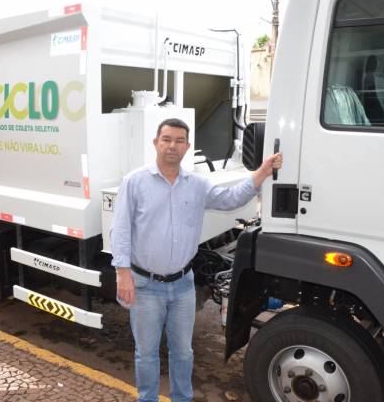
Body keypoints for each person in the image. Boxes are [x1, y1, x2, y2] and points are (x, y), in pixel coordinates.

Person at [110, 118, 283, 402]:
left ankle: (182, 398)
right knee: (146, 353)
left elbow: (230, 198)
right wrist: (123, 273)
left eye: (179, 141)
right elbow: (121, 230)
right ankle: (148, 398)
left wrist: (262, 172)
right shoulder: (134, 182)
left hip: (182, 286)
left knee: (183, 352)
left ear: (187, 147)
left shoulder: (197, 185)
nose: (172, 146)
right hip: (144, 285)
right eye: (166, 139)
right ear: (156, 142)